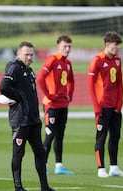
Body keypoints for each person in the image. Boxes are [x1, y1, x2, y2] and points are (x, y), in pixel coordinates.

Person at [0, 41, 63, 191]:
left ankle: (45, 188)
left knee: (40, 153)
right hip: (21, 120)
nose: (29, 57)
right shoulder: (13, 67)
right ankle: (18, 188)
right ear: (18, 54)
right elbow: (3, 87)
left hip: (33, 120)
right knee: (18, 154)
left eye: (31, 55)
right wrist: (17, 97)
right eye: (26, 54)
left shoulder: (30, 71)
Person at [88, 31, 123, 178]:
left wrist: (119, 105)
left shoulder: (118, 61)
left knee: (115, 136)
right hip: (102, 107)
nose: (118, 47)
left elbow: (119, 84)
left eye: (118, 45)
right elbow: (90, 86)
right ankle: (101, 168)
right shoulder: (97, 60)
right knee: (101, 137)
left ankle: (114, 167)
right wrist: (96, 108)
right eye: (115, 44)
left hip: (115, 107)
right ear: (107, 44)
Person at [37, 35, 75, 175]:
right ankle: (43, 165)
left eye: (69, 46)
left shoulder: (68, 63)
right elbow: (40, 78)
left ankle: (59, 166)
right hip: (51, 105)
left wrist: (69, 94)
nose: (67, 49)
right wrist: (48, 94)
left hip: (63, 105)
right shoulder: (52, 60)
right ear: (58, 46)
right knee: (50, 134)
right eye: (65, 46)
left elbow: (71, 80)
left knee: (60, 136)